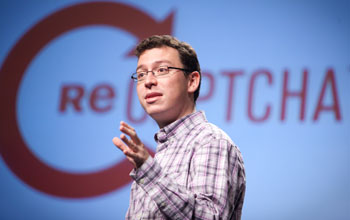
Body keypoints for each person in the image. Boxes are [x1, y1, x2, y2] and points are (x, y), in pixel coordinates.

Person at [112, 35, 246, 220]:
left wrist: (148, 171)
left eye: (162, 69)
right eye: (141, 74)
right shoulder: (156, 159)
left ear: (192, 81)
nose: (148, 81)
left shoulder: (210, 141)